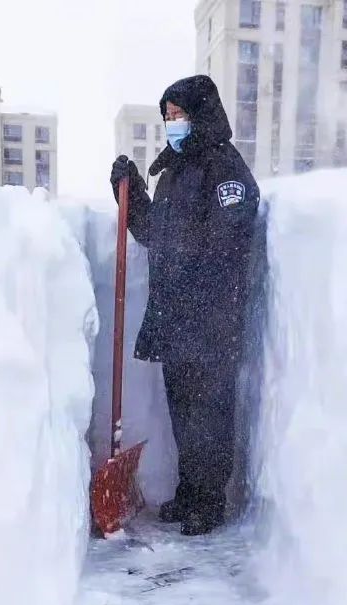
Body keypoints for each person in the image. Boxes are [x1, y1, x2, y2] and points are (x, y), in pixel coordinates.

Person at [110, 75, 260, 536]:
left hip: (211, 317)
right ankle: (190, 493)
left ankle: (209, 501)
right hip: (178, 316)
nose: (173, 124)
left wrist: (192, 267)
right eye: (168, 117)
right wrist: (131, 191)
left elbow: (231, 231)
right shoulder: (174, 171)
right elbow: (158, 234)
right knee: (184, 413)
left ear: (201, 114)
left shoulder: (224, 168)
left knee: (210, 414)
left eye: (179, 115)